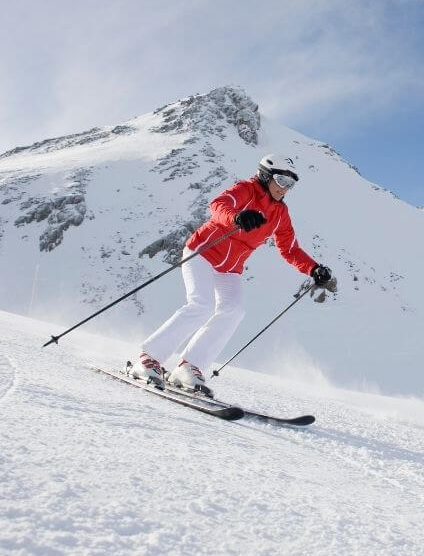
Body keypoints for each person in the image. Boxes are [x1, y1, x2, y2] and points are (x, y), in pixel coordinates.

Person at [131, 154, 336, 397]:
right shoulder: (246, 189)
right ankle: (148, 359)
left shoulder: (280, 213)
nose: (285, 188)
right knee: (201, 305)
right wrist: (237, 217)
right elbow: (218, 205)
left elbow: (289, 248)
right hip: (203, 253)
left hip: (230, 269)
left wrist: (313, 268)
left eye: (290, 184)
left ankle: (188, 367)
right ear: (265, 176)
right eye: (281, 180)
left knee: (234, 311)